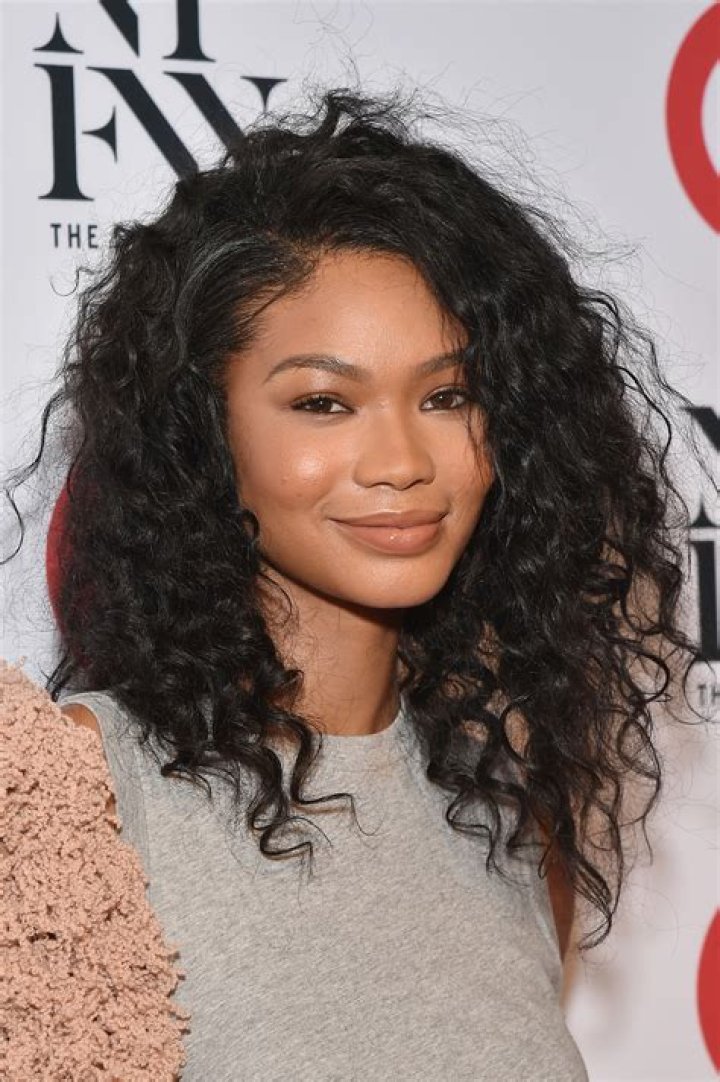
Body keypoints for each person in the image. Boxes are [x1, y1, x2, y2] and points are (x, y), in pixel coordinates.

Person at [2, 85, 708, 1080]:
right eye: (324, 402)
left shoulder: (507, 809)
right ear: (204, 431)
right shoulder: (68, 794)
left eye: (448, 394)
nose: (402, 462)